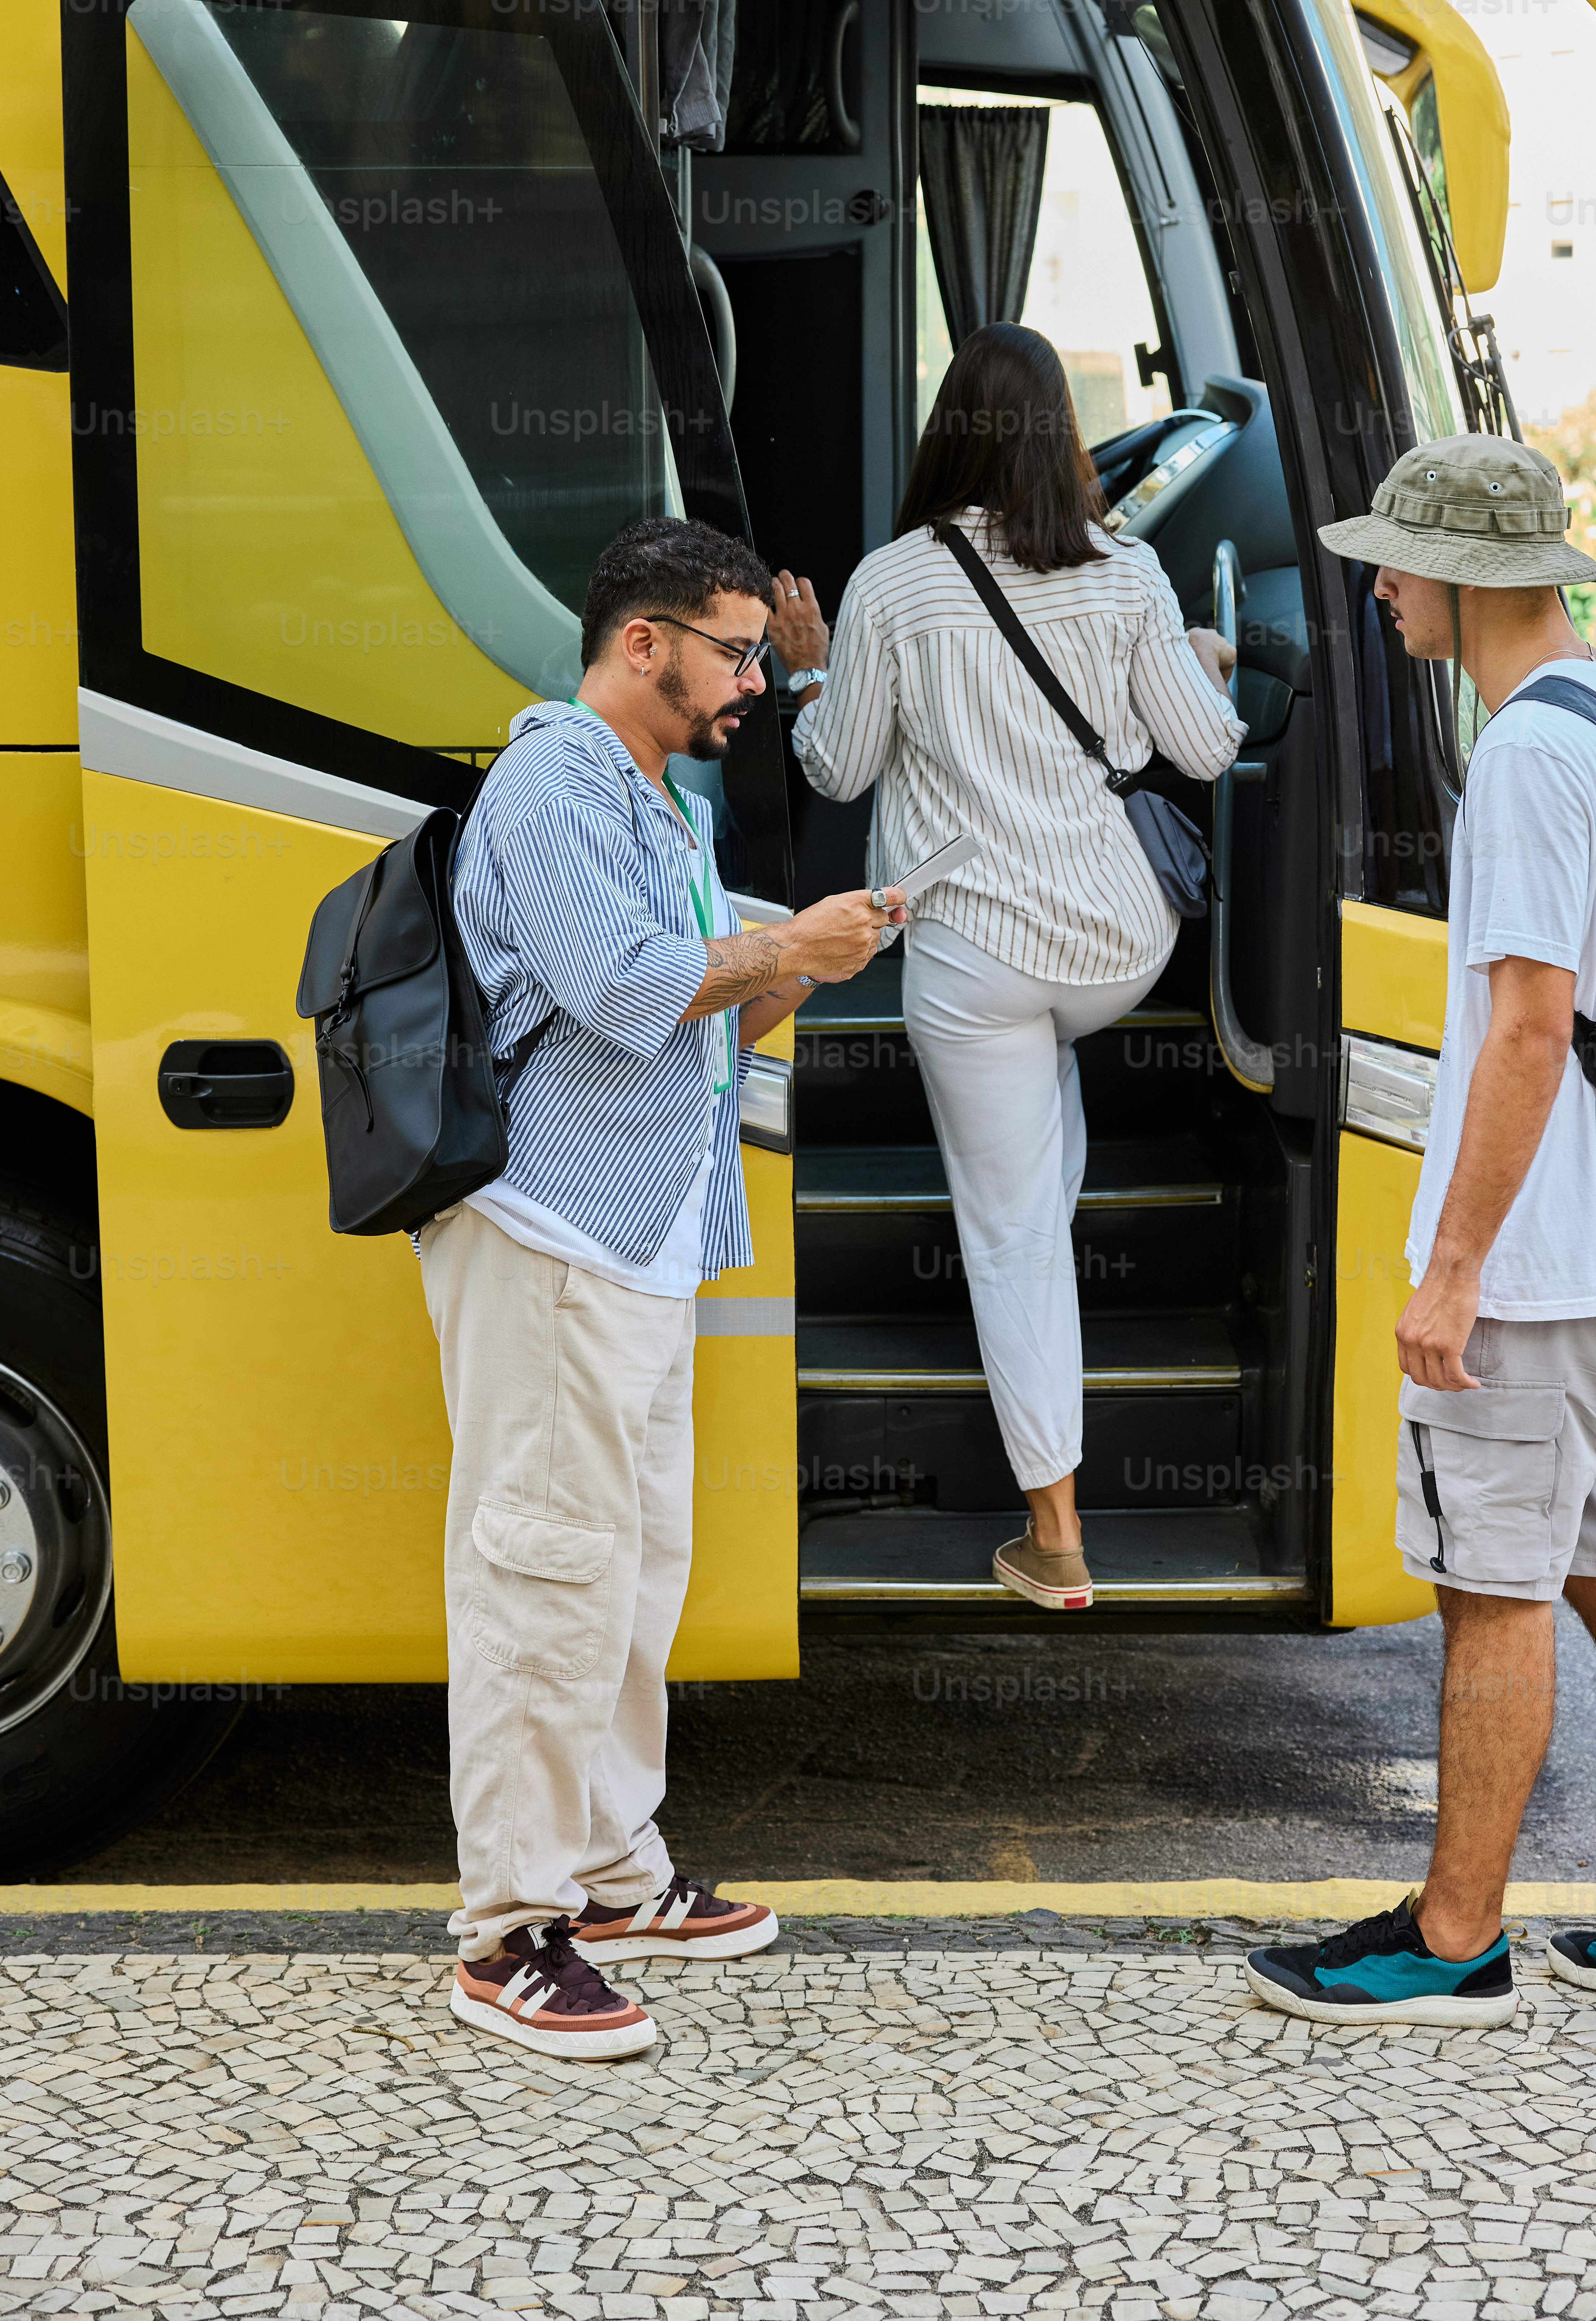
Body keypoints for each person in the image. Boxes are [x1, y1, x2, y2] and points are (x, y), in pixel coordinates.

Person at [1246, 434, 1596, 2030]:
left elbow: (1533, 1027)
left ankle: (1455, 1936)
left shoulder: (1533, 760)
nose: (1380, 584)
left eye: (1397, 561)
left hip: (1546, 1273)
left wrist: (1457, 1271)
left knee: (1494, 1588)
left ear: (1470, 577)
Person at [421, 515, 903, 2060]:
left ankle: (616, 1870)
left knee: (630, 1573)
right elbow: (629, 992)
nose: (757, 678)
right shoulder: (551, 784)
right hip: (554, 1233)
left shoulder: (657, 796)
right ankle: (508, 1928)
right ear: (644, 644)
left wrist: (791, 973)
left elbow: (698, 1035)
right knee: (543, 1574)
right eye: (737, 650)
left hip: (640, 1237)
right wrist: (782, 946)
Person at [767, 324, 1244, 1611]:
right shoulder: (1131, 572)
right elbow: (1203, 755)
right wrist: (1207, 661)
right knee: (1044, 1131)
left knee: (1013, 1236)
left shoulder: (891, 584)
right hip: (1118, 948)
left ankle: (1059, 1538)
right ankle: (1045, 1172)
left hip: (976, 955)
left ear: (950, 436)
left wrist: (810, 679)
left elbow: (841, 769)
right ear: (1067, 440)